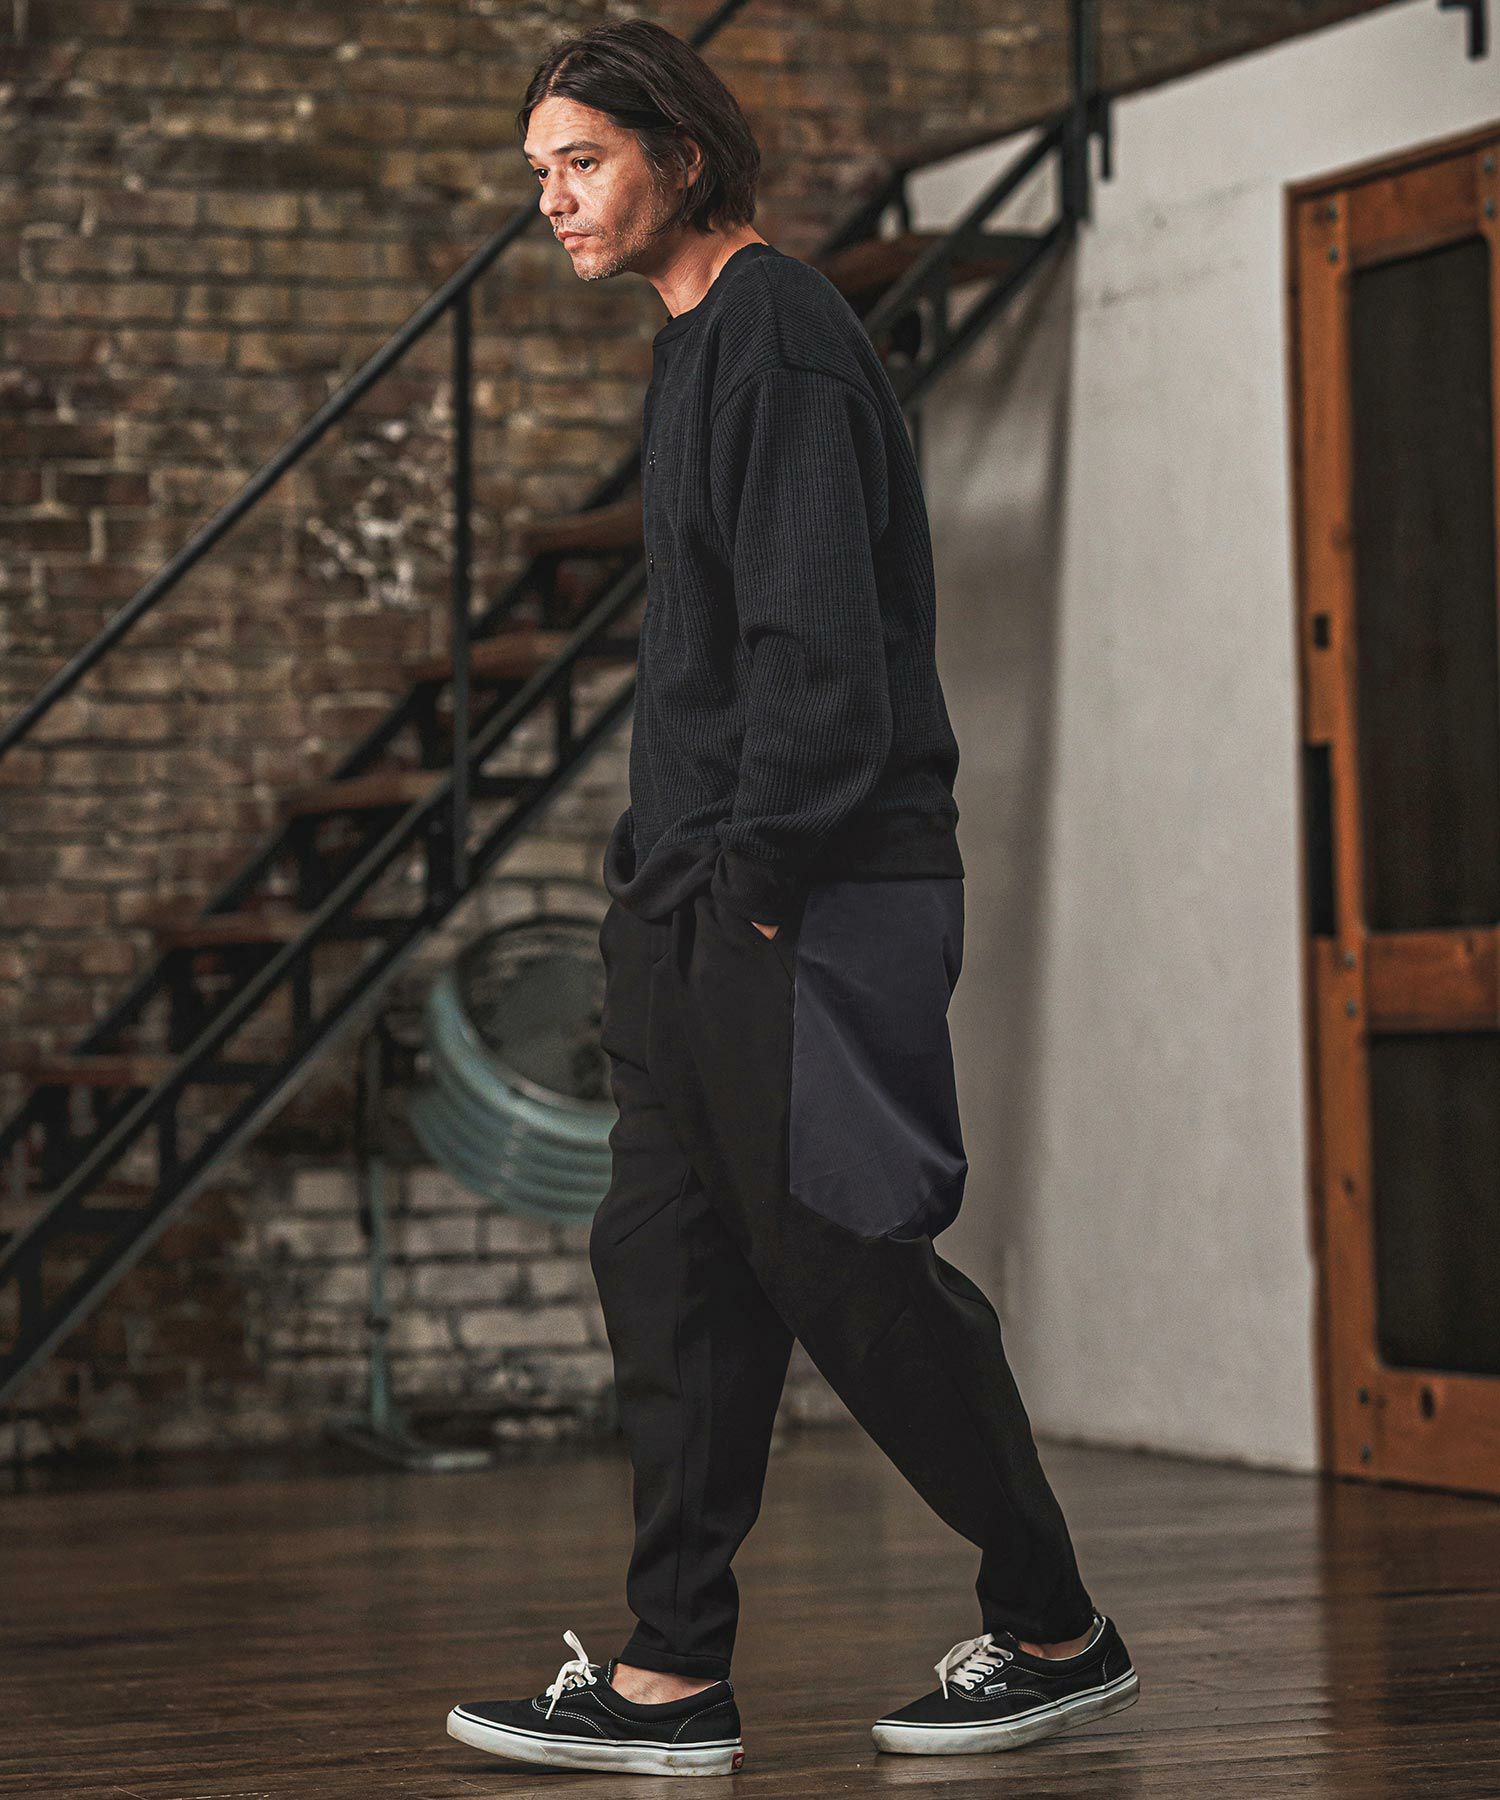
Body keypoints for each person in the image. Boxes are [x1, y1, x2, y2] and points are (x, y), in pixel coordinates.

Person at [446, 18, 1138, 1779]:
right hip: (697, 896)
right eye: (540, 173)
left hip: (812, 891)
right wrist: (661, 887)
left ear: (680, 155)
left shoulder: (781, 337)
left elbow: (820, 657)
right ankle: (672, 1675)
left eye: (582, 162)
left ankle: (1056, 1627)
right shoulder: (696, 345)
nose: (553, 199)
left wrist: (750, 873)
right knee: (669, 1270)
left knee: (849, 1266)